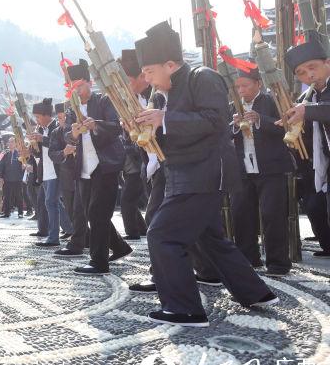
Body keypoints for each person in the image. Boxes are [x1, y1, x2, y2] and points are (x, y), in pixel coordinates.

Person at [134, 21, 275, 327]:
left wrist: (165, 119)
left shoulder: (203, 76)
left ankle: (185, 309)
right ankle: (256, 292)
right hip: (183, 174)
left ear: (170, 64)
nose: (145, 78)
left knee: (163, 235)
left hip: (204, 174)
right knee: (210, 239)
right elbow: (175, 132)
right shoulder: (164, 94)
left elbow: (215, 120)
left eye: (148, 70)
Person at [56, 60, 130, 275]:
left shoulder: (104, 101)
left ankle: (99, 262)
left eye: (79, 86)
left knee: (98, 214)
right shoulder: (72, 108)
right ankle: (119, 246)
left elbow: (116, 127)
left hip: (106, 165)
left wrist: (95, 124)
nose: (77, 91)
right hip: (84, 166)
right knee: (92, 213)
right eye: (73, 88)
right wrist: (74, 134)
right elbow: (66, 136)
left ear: (89, 83)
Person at [229, 56, 293, 277]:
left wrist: (259, 120)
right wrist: (235, 126)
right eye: (237, 87)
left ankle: (278, 264)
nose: (241, 90)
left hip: (271, 168)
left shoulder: (272, 101)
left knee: (273, 215)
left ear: (258, 84)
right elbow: (223, 135)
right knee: (241, 215)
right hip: (243, 168)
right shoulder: (232, 107)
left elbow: (286, 130)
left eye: (245, 85)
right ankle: (248, 259)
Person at [283, 39, 330, 257]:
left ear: (327, 63)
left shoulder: (307, 104)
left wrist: (307, 112)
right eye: (301, 72)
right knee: (315, 207)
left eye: (313, 68)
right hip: (318, 164)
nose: (308, 75)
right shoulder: (305, 97)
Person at [118, 49, 151, 241]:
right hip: (143, 162)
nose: (125, 87)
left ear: (142, 76)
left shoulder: (157, 94)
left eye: (127, 81)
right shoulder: (130, 100)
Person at [30, 98, 62, 246]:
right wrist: (33, 145)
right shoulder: (42, 130)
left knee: (51, 202)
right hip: (45, 171)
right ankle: (69, 231)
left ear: (46, 115)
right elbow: (38, 154)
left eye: (38, 117)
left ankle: (54, 237)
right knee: (52, 203)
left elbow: (58, 144)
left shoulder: (57, 126)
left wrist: (43, 139)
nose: (37, 120)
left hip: (57, 171)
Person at [0, 137, 24, 218]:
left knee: (19, 196)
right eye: (9, 142)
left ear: (16, 143)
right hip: (7, 179)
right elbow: (1, 166)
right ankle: (6, 213)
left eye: (12, 142)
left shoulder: (19, 154)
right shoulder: (6, 154)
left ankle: (20, 212)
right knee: (6, 197)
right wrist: (1, 177)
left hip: (17, 179)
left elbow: (23, 165)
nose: (10, 144)